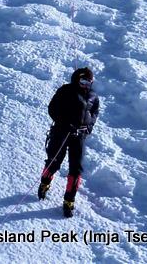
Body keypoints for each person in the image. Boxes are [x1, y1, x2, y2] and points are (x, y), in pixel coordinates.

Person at [38, 67, 100, 218]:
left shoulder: (93, 96)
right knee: (54, 161)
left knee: (76, 168)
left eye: (89, 82)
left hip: (79, 137)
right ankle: (45, 183)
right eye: (83, 81)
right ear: (77, 79)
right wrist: (65, 123)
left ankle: (69, 201)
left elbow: (94, 113)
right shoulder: (66, 90)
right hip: (61, 133)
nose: (86, 84)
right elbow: (52, 108)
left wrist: (88, 127)